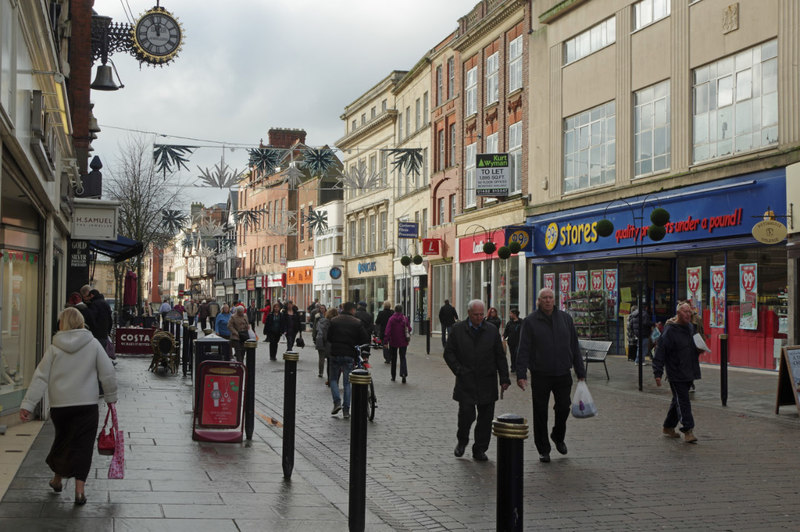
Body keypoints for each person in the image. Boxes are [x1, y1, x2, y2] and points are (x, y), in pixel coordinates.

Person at [19, 307, 118, 506]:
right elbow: (107, 372)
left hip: (61, 406)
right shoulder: (92, 344)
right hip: (87, 404)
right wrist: (110, 397)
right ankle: (79, 491)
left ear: (62, 324)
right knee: (83, 446)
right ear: (81, 322)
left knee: (63, 442)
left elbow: (40, 377)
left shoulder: (54, 348)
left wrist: (28, 404)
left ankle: (57, 480)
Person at [515, 288, 586, 463]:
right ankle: (543, 449)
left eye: (550, 298)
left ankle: (557, 435)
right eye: (544, 298)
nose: (548, 301)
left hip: (563, 373)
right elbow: (523, 349)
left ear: (554, 300)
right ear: (539, 301)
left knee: (563, 407)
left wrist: (580, 371)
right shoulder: (531, 321)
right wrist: (521, 374)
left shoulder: (565, 319)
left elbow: (574, 346)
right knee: (540, 412)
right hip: (541, 374)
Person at [444, 299, 510, 462]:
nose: (479, 317)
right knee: (466, 415)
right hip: (466, 379)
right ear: (469, 313)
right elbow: (449, 353)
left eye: (482, 314)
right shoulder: (458, 329)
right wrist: (458, 370)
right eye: (476, 315)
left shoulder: (492, 330)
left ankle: (480, 448)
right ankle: (462, 440)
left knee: (486, 418)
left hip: (487, 379)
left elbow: (500, 356)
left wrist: (504, 378)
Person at [653, 302, 701, 443]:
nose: (688, 314)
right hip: (676, 371)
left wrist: (700, 349)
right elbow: (660, 352)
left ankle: (668, 427)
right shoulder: (670, 331)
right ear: (678, 314)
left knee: (678, 400)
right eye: (685, 312)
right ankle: (688, 429)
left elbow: (692, 348)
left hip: (688, 370)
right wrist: (658, 373)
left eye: (690, 312)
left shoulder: (691, 328)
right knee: (683, 401)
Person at [327, 302, 370, 419]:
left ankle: (336, 402)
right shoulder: (356, 322)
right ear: (352, 310)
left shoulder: (334, 321)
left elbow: (328, 337)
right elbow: (364, 338)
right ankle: (346, 410)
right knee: (347, 383)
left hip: (335, 353)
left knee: (334, 379)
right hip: (349, 354)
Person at [384, 305, 412, 383]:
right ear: (401, 310)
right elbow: (409, 328)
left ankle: (393, 376)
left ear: (395, 310)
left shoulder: (391, 319)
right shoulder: (405, 318)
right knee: (403, 357)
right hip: (403, 341)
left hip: (393, 341)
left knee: (394, 358)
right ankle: (403, 374)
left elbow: (387, 331)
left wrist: (386, 341)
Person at [315, 307, 337, 382]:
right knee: (329, 360)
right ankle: (330, 378)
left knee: (321, 358)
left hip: (320, 341)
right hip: (328, 343)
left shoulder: (321, 321)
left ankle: (321, 372)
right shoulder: (333, 323)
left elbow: (316, 330)